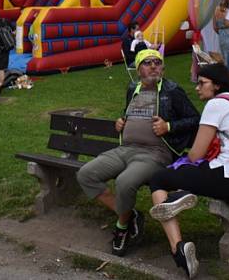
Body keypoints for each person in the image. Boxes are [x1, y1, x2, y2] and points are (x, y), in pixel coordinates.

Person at [75, 49, 200, 257]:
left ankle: (122, 227)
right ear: (138, 69)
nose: (153, 66)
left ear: (163, 67)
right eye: (147, 63)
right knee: (86, 174)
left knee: (124, 182)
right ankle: (130, 215)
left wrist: (169, 126)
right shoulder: (133, 87)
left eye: (157, 62)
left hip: (155, 153)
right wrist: (121, 121)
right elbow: (129, 111)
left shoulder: (172, 90)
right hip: (125, 149)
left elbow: (195, 119)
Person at [147, 63, 229, 278]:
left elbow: (196, 155)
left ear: (217, 85)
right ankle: (178, 196)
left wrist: (185, 159)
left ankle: (178, 249)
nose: (197, 88)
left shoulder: (216, 104)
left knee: (158, 179)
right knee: (187, 174)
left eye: (202, 83)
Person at [213, 0, 229, 66]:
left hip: (221, 35)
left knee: (225, 56)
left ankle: (226, 74)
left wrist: (220, 31)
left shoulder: (216, 9)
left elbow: (214, 26)